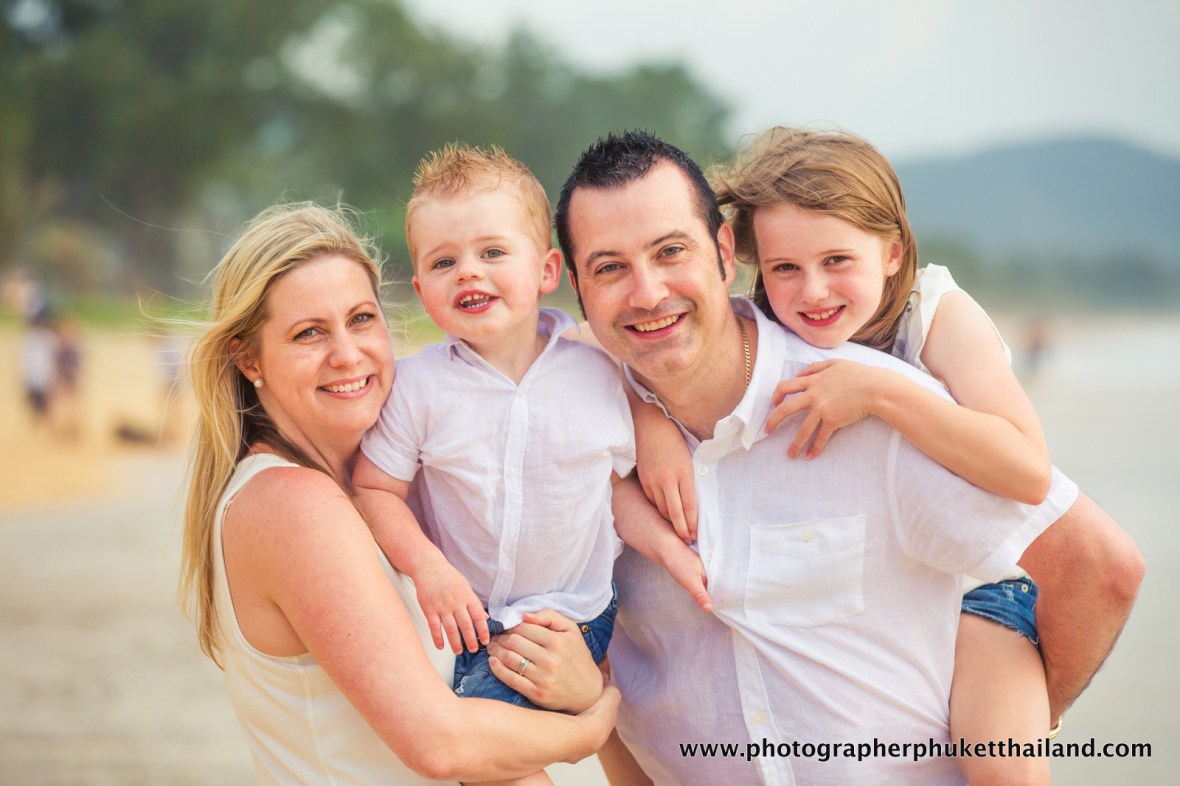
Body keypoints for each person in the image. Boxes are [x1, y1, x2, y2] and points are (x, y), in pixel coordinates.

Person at [554, 131, 1144, 784]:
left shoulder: (886, 387)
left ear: (722, 253)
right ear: (574, 282)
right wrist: (646, 418)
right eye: (609, 268)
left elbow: (1097, 562)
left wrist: (1031, 721)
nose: (646, 291)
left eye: (670, 251)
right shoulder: (572, 426)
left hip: (982, 608)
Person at [178, 202, 619, 785]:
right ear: (247, 357)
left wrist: (579, 682)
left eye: (361, 319)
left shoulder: (387, 488)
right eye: (309, 333)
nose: (346, 354)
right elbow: (441, 744)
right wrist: (595, 720)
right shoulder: (294, 505)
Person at [352, 147, 633, 786]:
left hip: (572, 614)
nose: (468, 272)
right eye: (443, 262)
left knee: (487, 747)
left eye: (493, 252)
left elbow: (623, 488)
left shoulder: (599, 375)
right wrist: (428, 568)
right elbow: (374, 489)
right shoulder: (419, 387)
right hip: (463, 616)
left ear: (547, 269)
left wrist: (674, 546)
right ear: (421, 292)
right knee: (475, 747)